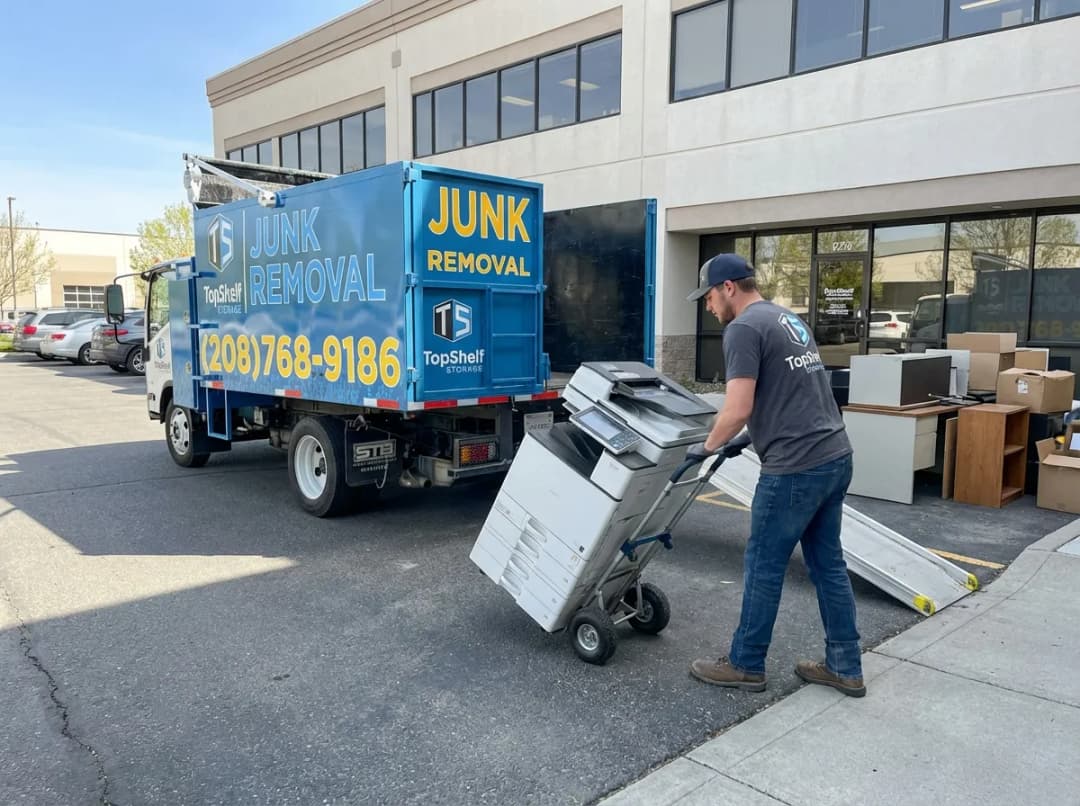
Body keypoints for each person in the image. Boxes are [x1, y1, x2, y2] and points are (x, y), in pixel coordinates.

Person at [684, 253, 865, 698]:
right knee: (828, 566)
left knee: (764, 565)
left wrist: (706, 446)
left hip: (795, 468)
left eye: (708, 295)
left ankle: (746, 664)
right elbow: (791, 393)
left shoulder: (742, 328)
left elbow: (737, 406)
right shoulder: (787, 319)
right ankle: (845, 666)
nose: (707, 306)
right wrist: (748, 437)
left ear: (728, 288)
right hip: (834, 455)